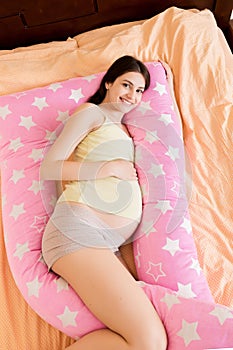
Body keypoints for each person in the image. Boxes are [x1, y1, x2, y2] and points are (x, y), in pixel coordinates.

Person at [41, 55, 167, 350]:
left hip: (105, 244)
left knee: (143, 340)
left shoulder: (125, 130)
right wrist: (105, 169)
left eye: (139, 91)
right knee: (150, 342)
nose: (132, 95)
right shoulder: (91, 114)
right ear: (108, 82)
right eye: (126, 84)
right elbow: (50, 167)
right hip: (78, 232)